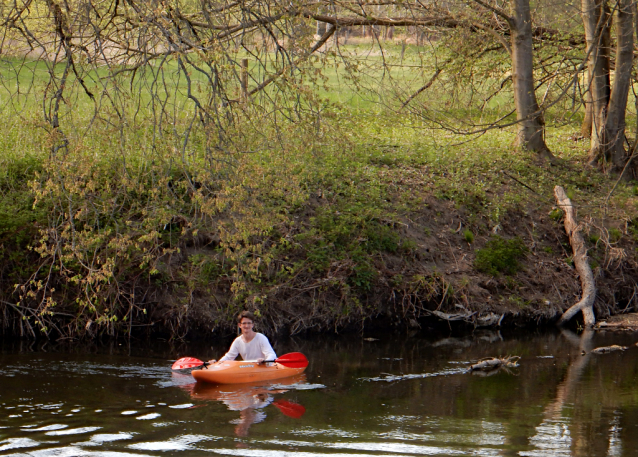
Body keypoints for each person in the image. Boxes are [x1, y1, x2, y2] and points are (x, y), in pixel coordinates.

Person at [208, 311, 276, 364]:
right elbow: (229, 357)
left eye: (249, 323)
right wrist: (217, 363)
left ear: (253, 325)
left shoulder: (261, 338)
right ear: (239, 325)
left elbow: (272, 355)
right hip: (249, 369)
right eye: (244, 323)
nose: (246, 326)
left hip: (263, 367)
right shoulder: (238, 341)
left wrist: (265, 361)